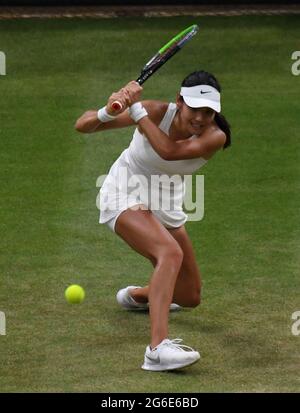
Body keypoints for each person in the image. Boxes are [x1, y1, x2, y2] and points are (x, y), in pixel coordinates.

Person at [75, 70, 231, 372]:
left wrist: (136, 110)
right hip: (124, 193)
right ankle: (157, 350)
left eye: (208, 111)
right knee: (170, 253)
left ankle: (139, 296)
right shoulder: (156, 111)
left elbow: (169, 151)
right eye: (195, 108)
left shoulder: (215, 136)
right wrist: (109, 110)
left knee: (189, 296)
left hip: (166, 206)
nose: (201, 117)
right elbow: (83, 125)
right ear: (179, 101)